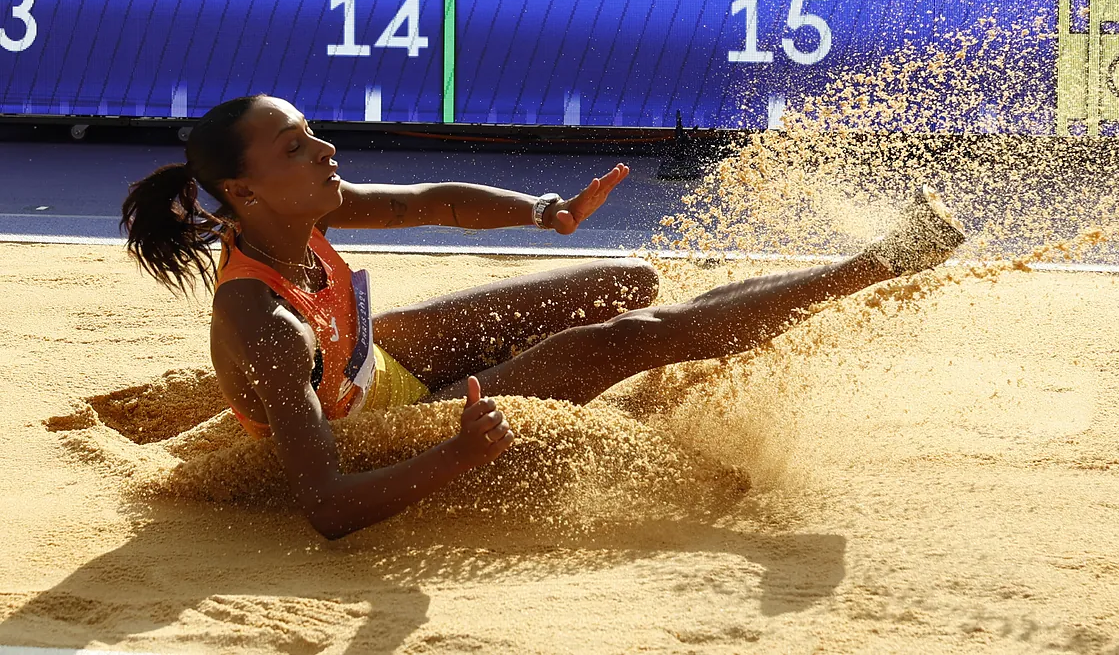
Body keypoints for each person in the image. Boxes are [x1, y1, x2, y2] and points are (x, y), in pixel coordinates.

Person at [121, 94, 966, 539]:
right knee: (635, 337)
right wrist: (455, 453)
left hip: (381, 368)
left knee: (626, 281)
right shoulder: (264, 321)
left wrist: (544, 210)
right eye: (299, 146)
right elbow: (327, 506)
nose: (327, 151)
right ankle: (880, 263)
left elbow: (437, 200)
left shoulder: (305, 215)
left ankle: (720, 328)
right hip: (400, 427)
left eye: (313, 133)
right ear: (244, 190)